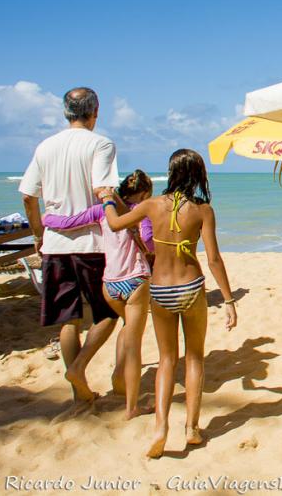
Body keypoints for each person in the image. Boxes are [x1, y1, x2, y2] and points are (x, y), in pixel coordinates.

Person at [100, 149, 237, 458]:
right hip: (190, 287)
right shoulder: (203, 211)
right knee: (194, 358)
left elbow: (115, 224)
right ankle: (191, 428)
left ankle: (161, 428)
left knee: (166, 360)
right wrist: (228, 299)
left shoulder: (151, 205)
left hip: (160, 290)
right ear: (198, 175)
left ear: (172, 173)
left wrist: (108, 199)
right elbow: (214, 259)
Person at [19, 87, 119, 403]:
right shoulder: (100, 144)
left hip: (55, 244)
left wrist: (38, 234)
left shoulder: (46, 146)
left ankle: (80, 394)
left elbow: (27, 195)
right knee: (107, 314)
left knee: (68, 319)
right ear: (96, 111)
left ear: (66, 112)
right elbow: (104, 189)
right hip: (92, 243)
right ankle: (78, 367)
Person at [41, 170, 155, 419]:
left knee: (124, 324)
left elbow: (71, 222)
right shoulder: (143, 211)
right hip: (134, 279)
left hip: (109, 283)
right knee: (132, 336)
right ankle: (123, 387)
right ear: (145, 193)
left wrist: (48, 220)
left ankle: (84, 367)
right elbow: (149, 242)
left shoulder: (104, 210)